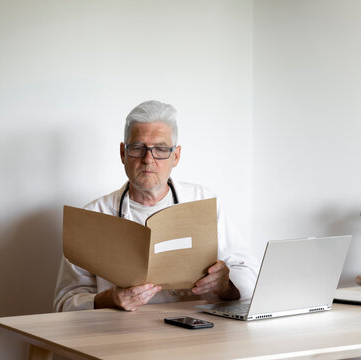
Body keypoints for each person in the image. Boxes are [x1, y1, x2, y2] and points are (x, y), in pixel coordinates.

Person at [54, 100, 257, 312]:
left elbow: (250, 278)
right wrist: (110, 299)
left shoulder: (203, 202)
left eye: (160, 149)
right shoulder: (93, 216)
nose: (148, 160)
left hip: (196, 333)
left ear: (176, 156)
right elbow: (63, 304)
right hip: (119, 338)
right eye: (138, 148)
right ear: (123, 153)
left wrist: (225, 285)